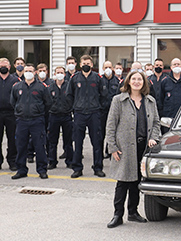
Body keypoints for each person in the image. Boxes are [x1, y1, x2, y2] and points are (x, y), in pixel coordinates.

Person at [105, 70, 161, 228]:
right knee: (122, 181)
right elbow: (110, 126)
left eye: (140, 79)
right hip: (124, 148)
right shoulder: (119, 100)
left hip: (143, 147)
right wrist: (113, 147)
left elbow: (156, 123)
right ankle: (117, 215)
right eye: (134, 79)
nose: (137, 82)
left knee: (137, 181)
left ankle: (133, 212)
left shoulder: (150, 101)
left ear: (144, 82)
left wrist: (153, 138)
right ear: (128, 82)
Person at [68, 54, 107, 178]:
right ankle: (77, 168)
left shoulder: (97, 78)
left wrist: (98, 108)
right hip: (79, 113)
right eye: (84, 63)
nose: (86, 65)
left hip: (94, 113)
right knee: (78, 142)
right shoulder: (74, 78)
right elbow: (69, 95)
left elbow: (104, 95)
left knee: (97, 142)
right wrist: (75, 107)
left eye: (88, 63)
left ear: (92, 64)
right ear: (80, 64)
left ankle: (98, 167)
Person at [11, 65, 52, 179]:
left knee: (39, 146)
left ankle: (42, 170)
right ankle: (21, 170)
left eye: (30, 71)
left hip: (37, 120)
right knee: (21, 146)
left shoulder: (41, 87)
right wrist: (20, 111)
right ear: (23, 72)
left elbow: (48, 103)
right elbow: (13, 102)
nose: (28, 73)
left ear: (35, 73)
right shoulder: (17, 86)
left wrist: (39, 111)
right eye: (26, 71)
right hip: (22, 120)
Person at [0, 58, 20, 172]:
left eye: (5, 65)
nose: (3, 67)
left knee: (12, 139)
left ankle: (12, 161)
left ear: (10, 67)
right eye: (1, 65)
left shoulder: (16, 80)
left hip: (11, 113)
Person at [47, 66, 74, 169]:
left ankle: (69, 161)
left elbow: (72, 99)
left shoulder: (69, 86)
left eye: (61, 72)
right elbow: (47, 102)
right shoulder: (50, 87)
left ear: (64, 74)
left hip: (66, 116)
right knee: (52, 141)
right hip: (53, 116)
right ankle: (52, 161)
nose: (60, 74)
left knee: (68, 140)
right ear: (54, 74)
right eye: (58, 72)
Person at [100, 60, 121, 154]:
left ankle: (109, 150)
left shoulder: (117, 81)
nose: (108, 69)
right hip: (101, 111)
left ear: (113, 68)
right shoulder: (99, 80)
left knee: (113, 132)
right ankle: (100, 153)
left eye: (109, 67)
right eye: (106, 67)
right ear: (103, 69)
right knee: (101, 134)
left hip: (113, 111)